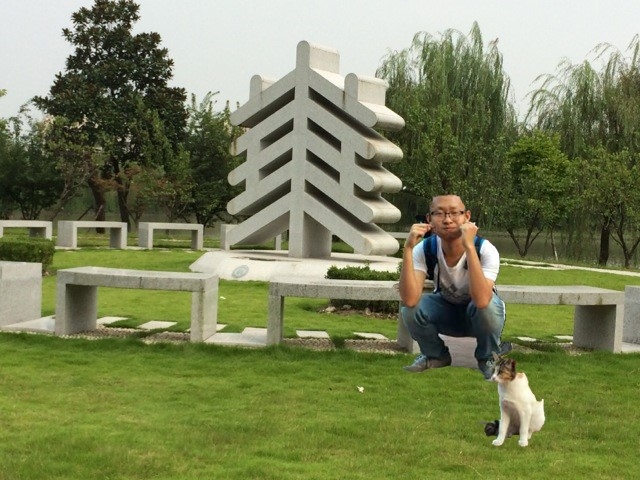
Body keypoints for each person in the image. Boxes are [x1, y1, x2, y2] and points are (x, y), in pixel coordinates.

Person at [399, 194, 507, 379]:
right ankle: (436, 355)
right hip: (447, 311)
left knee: (488, 306)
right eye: (439, 213)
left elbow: (482, 301)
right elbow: (409, 299)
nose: (447, 220)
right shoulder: (425, 249)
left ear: (467, 217)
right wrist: (408, 249)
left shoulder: (484, 249)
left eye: (454, 213)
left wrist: (469, 247)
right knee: (411, 310)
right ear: (429, 219)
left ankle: (488, 358)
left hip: (479, 315)